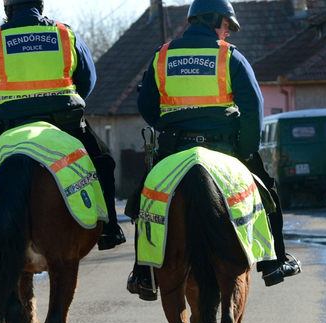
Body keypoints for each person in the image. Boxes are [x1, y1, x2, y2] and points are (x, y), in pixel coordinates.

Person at [126, 0, 300, 300]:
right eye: (226, 26)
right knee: (268, 193)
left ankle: (143, 274)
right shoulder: (229, 56)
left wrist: (168, 126)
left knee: (143, 203)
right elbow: (252, 106)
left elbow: (145, 105)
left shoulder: (162, 56)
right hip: (225, 147)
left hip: (174, 146)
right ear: (215, 21)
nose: (227, 34)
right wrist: (246, 149)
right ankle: (275, 263)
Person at [0, 0, 125, 252]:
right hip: (65, 123)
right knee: (103, 162)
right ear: (40, 5)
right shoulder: (64, 33)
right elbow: (88, 79)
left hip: (11, 124)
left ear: (9, 7)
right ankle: (109, 229)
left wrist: (5, 105)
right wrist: (68, 101)